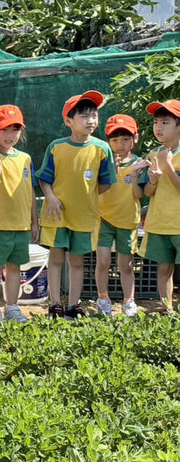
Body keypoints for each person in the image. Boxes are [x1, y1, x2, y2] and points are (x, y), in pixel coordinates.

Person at [36, 91, 117, 319]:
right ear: (68, 121)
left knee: (77, 261)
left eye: (94, 115)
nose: (91, 120)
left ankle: (73, 306)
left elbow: (105, 183)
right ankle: (54, 305)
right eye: (84, 116)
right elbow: (44, 178)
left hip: (84, 215)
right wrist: (51, 198)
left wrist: (85, 197)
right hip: (56, 214)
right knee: (56, 259)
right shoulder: (56, 146)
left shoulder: (102, 148)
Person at [0, 105, 39, 323]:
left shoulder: (26, 158)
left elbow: (31, 192)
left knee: (15, 268)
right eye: (4, 129)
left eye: (15, 129)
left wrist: (34, 222)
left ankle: (12, 308)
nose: (10, 134)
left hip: (22, 226)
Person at [95, 115, 149, 317]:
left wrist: (134, 175)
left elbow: (139, 195)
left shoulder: (140, 164)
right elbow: (95, 189)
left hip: (128, 220)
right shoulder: (103, 162)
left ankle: (129, 302)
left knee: (125, 265)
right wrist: (112, 170)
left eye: (126, 139)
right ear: (108, 141)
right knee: (102, 262)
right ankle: (103, 299)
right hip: (103, 218)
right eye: (115, 139)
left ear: (135, 139)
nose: (120, 144)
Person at [139, 100, 180, 311]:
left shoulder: (166, 158)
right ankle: (167, 309)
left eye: (165, 122)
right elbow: (147, 193)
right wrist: (153, 180)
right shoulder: (153, 155)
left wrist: (168, 167)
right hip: (159, 223)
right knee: (164, 268)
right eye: (156, 122)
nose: (158, 127)